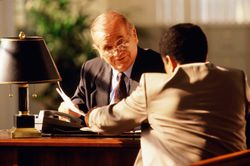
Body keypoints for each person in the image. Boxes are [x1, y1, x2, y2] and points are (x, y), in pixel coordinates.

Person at [85, 23, 250, 165]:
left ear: (169, 61)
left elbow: (112, 119)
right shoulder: (236, 79)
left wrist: (90, 115)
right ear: (205, 54)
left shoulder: (156, 86)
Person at [58, 11, 165, 117]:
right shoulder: (91, 69)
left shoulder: (160, 66)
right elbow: (80, 102)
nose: (117, 52)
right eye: (108, 48)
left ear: (134, 35)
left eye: (121, 42)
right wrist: (72, 109)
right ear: (99, 50)